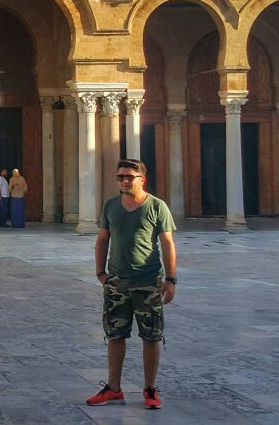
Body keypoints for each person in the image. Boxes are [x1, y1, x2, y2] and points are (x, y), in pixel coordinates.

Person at [87, 158, 177, 410]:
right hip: (117, 282)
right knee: (115, 335)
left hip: (148, 281)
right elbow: (102, 239)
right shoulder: (110, 206)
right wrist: (100, 273)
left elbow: (167, 243)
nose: (124, 181)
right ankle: (114, 388)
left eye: (129, 177)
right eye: (120, 177)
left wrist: (171, 279)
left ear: (142, 179)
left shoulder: (157, 206)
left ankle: (150, 389)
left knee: (151, 336)